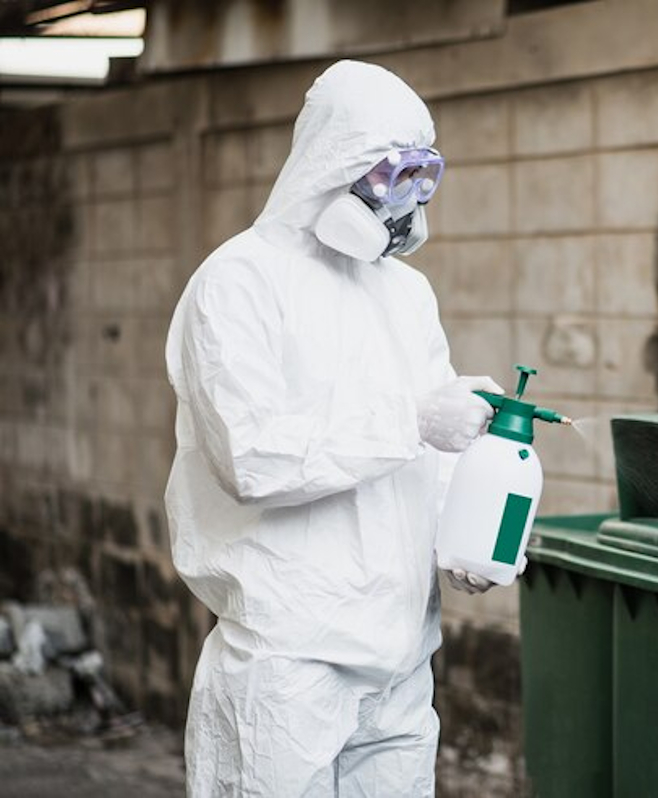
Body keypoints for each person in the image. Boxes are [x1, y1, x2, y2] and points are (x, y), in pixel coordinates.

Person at [164, 59, 499, 797]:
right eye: (388, 175)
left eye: (419, 176)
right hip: (290, 658)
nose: (402, 200)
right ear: (331, 164)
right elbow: (251, 459)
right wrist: (412, 421)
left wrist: (460, 533)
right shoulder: (240, 282)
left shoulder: (406, 293)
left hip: (403, 650)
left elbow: (430, 446)